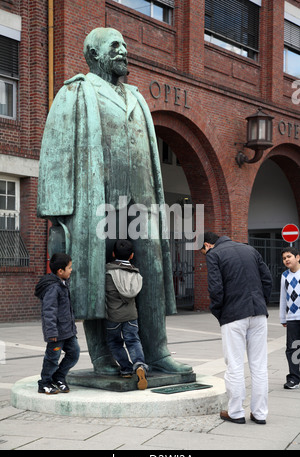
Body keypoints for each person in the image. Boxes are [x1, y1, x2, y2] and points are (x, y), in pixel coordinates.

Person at [37, 27, 192, 377]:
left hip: (141, 203)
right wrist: (57, 211)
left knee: (151, 269)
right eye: (115, 46)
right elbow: (55, 153)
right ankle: (104, 356)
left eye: (125, 45)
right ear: (93, 55)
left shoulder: (136, 97)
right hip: (95, 203)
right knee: (94, 278)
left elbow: (151, 156)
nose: (124, 51)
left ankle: (158, 351)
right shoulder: (76, 92)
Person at [201, 232, 272, 424]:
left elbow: (215, 288)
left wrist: (219, 312)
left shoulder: (214, 254)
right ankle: (259, 413)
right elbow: (267, 279)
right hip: (258, 313)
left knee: (234, 364)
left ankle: (236, 411)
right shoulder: (250, 249)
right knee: (259, 365)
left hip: (233, 315)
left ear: (207, 245)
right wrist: (261, 303)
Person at [34, 253, 80, 394]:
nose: (71, 270)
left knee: (74, 353)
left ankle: (59, 376)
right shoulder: (53, 288)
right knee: (52, 358)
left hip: (68, 331)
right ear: (60, 271)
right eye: (69, 268)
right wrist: (51, 332)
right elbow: (49, 311)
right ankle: (45, 382)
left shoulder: (63, 283)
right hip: (56, 333)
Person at [105, 239, 148, 390]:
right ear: (131, 256)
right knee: (133, 340)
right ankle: (139, 365)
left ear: (113, 254)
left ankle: (126, 369)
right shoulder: (136, 274)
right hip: (131, 315)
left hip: (113, 316)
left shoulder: (108, 273)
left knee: (115, 343)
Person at [279, 247, 300, 390]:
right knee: (293, 348)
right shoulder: (285, 276)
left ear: (297, 257)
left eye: (289, 256)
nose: (286, 259)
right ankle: (294, 378)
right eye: (284, 258)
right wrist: (283, 318)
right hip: (292, 318)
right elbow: (282, 297)